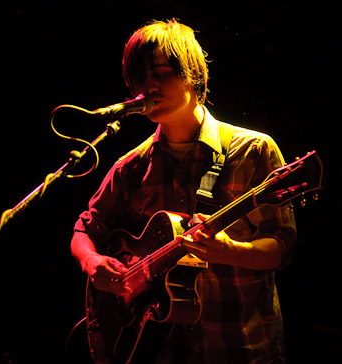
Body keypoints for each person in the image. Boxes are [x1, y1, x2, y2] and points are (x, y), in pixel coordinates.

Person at [71, 19, 297, 364]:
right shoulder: (131, 166)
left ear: (192, 73)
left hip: (240, 347)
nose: (148, 86)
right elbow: (86, 227)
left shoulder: (253, 150)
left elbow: (281, 246)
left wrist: (231, 251)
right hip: (156, 350)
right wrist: (93, 262)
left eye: (159, 72)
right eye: (138, 77)